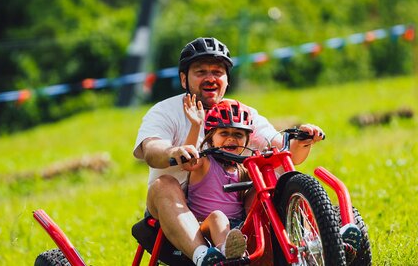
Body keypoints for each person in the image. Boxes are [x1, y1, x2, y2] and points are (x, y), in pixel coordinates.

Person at [133, 37, 325, 266]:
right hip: (172, 210)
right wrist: (173, 151)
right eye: (200, 71)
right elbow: (151, 148)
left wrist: (303, 140)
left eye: (217, 71)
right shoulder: (165, 111)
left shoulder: (240, 114)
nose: (210, 78)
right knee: (163, 183)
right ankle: (204, 256)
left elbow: (282, 151)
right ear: (184, 78)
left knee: (267, 178)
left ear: (227, 79)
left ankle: (309, 244)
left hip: (233, 215)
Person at [182, 98, 255, 260]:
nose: (231, 139)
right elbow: (187, 161)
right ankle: (229, 254)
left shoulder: (244, 168)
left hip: (238, 228)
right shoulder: (205, 162)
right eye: (224, 133)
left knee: (261, 188)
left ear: (247, 140)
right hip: (203, 228)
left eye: (238, 134)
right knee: (218, 217)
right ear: (211, 137)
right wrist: (196, 126)